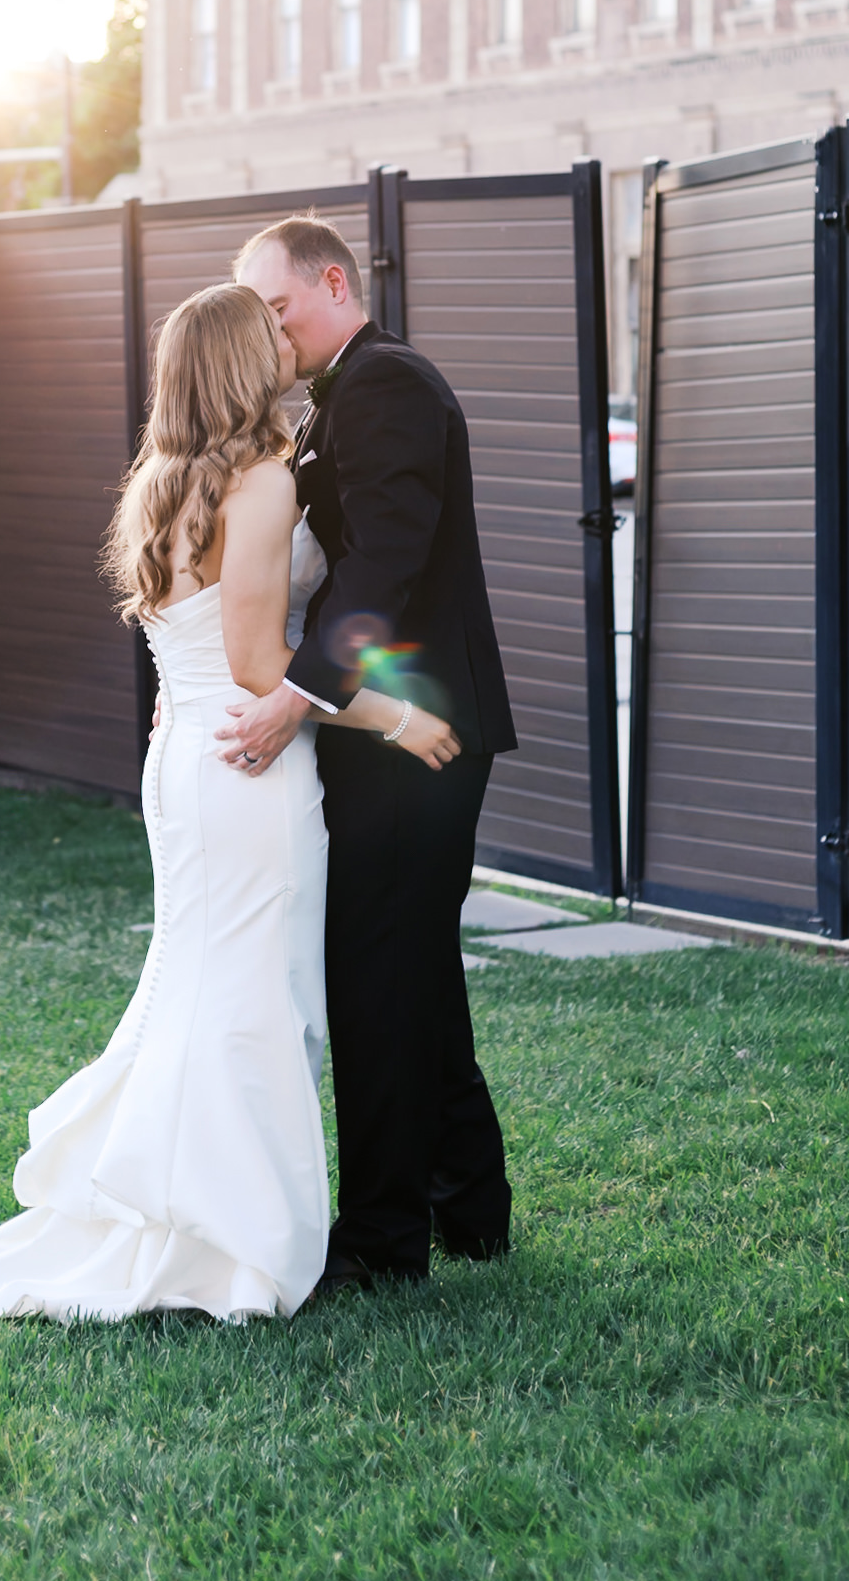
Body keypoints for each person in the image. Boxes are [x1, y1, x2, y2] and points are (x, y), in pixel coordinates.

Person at [0, 282, 460, 1322]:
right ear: (242, 363)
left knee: (200, 983)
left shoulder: (161, 480)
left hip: (184, 762)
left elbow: (190, 642)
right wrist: (397, 719)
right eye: (269, 338)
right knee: (254, 997)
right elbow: (259, 663)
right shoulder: (257, 484)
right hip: (244, 771)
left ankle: (170, 1208)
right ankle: (225, 1245)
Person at [218, 215, 518, 1290]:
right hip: (404, 728)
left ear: (332, 281)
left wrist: (297, 696)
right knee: (416, 970)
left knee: (378, 981)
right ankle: (469, 1206)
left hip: (412, 731)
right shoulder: (345, 391)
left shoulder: (384, 384)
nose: (270, 330)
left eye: (278, 308)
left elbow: (382, 563)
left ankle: (386, 1242)